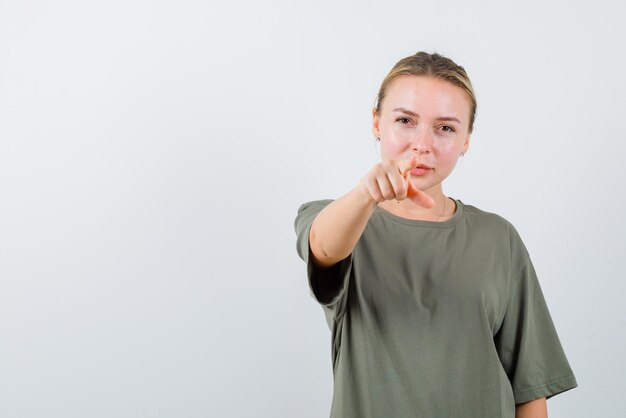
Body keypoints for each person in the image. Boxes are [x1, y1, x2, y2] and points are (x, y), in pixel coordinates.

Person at [294, 52, 577, 418]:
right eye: (405, 120)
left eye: (445, 127)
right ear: (376, 122)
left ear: (466, 141)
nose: (422, 144)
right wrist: (367, 193)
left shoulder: (497, 238)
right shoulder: (338, 220)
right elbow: (323, 246)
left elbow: (529, 387)